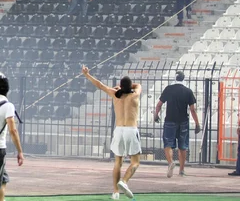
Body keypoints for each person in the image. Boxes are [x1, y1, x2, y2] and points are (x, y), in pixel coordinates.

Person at [82, 65, 141, 200]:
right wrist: (126, 87)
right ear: (130, 86)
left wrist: (87, 75)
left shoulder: (115, 94)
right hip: (131, 130)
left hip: (119, 130)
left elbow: (100, 85)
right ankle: (124, 181)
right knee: (135, 162)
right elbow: (138, 85)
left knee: (117, 162)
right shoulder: (135, 95)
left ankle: (115, 192)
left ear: (120, 86)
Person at [154, 71, 201, 178]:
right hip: (183, 121)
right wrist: (197, 124)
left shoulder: (168, 89)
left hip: (170, 120)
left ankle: (171, 162)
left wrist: (156, 115)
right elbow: (192, 109)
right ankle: (182, 170)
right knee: (182, 146)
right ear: (183, 79)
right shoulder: (188, 91)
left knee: (168, 144)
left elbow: (159, 105)